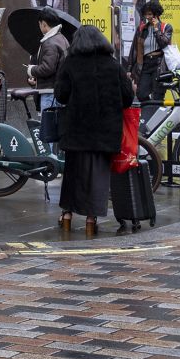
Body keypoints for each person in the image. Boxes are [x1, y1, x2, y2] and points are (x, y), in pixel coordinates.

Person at [53, 24, 135, 235]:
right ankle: (91, 219)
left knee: (73, 173)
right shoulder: (113, 65)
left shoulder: (71, 63)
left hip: (77, 130)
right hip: (105, 131)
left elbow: (61, 95)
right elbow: (127, 99)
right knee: (98, 175)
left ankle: (68, 215)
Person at [26, 6, 68, 112]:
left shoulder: (50, 43)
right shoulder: (62, 39)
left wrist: (31, 70)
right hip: (59, 91)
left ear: (44, 24)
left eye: (39, 24)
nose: (40, 27)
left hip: (50, 94)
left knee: (49, 126)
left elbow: (47, 68)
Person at [129, 1, 173, 104]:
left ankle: (157, 114)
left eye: (150, 14)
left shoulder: (166, 27)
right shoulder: (142, 29)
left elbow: (163, 43)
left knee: (158, 95)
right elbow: (135, 49)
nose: (147, 17)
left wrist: (156, 29)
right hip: (145, 63)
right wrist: (130, 68)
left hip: (159, 64)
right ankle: (150, 109)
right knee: (141, 93)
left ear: (156, 14)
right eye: (146, 14)